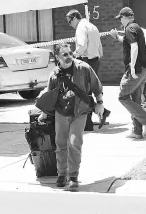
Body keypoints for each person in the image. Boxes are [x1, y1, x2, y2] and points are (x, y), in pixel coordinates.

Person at [38, 44, 104, 191]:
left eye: (70, 53)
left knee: (74, 143)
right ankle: (62, 174)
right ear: (57, 58)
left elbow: (96, 86)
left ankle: (73, 176)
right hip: (61, 112)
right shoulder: (54, 74)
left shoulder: (84, 68)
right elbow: (50, 95)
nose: (69, 57)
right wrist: (44, 112)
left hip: (79, 113)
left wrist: (100, 103)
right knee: (60, 143)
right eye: (65, 55)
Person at [109, 7, 146, 139]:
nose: (120, 22)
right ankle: (137, 131)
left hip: (137, 69)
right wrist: (117, 37)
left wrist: (133, 68)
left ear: (125, 17)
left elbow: (134, 47)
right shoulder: (136, 27)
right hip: (144, 69)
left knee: (123, 96)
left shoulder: (129, 28)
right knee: (135, 99)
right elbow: (130, 43)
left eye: (120, 19)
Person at [66, 9, 110, 131]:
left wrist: (73, 56)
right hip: (94, 60)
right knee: (90, 89)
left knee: (82, 91)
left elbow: (81, 45)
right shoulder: (92, 26)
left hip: (85, 60)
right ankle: (99, 113)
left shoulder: (81, 27)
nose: (70, 25)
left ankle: (87, 122)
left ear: (75, 18)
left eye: (70, 22)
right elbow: (100, 47)